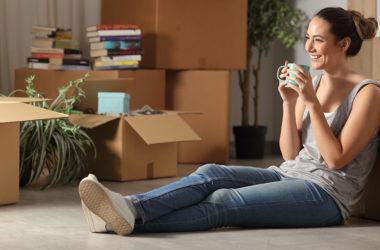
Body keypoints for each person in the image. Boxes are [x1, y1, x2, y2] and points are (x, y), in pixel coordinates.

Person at [78, 7, 380, 236]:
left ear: (343, 44)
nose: (309, 48)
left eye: (318, 40)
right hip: (289, 174)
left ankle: (121, 220)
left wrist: (311, 103)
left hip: (326, 195)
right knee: (211, 172)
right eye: (307, 39)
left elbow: (336, 159)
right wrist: (289, 104)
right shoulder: (311, 84)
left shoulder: (367, 93)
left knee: (225, 201)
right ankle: (129, 209)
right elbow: (290, 155)